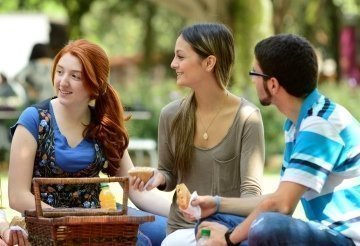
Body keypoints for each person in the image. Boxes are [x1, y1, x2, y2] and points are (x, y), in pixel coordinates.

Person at [191, 34, 360, 246]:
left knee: (267, 227)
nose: (252, 80)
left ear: (272, 84)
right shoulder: (296, 124)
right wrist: (217, 204)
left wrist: (228, 238)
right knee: (213, 221)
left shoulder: (321, 124)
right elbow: (278, 199)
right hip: (324, 233)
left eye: (255, 73)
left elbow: (282, 206)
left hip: (347, 239)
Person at [8, 39, 169, 245]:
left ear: (95, 85)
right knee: (140, 242)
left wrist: (184, 214)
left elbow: (136, 190)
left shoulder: (104, 124)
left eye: (75, 76)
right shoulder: (34, 119)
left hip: (99, 213)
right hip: (49, 223)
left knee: (169, 231)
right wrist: (70, 220)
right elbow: (17, 196)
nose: (63, 82)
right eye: (60, 72)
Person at [131, 23, 265, 245]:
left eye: (181, 57)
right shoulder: (170, 115)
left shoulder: (247, 117)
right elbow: (169, 172)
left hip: (228, 230)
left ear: (209, 62)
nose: (174, 64)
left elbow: (251, 192)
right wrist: (160, 177)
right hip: (182, 230)